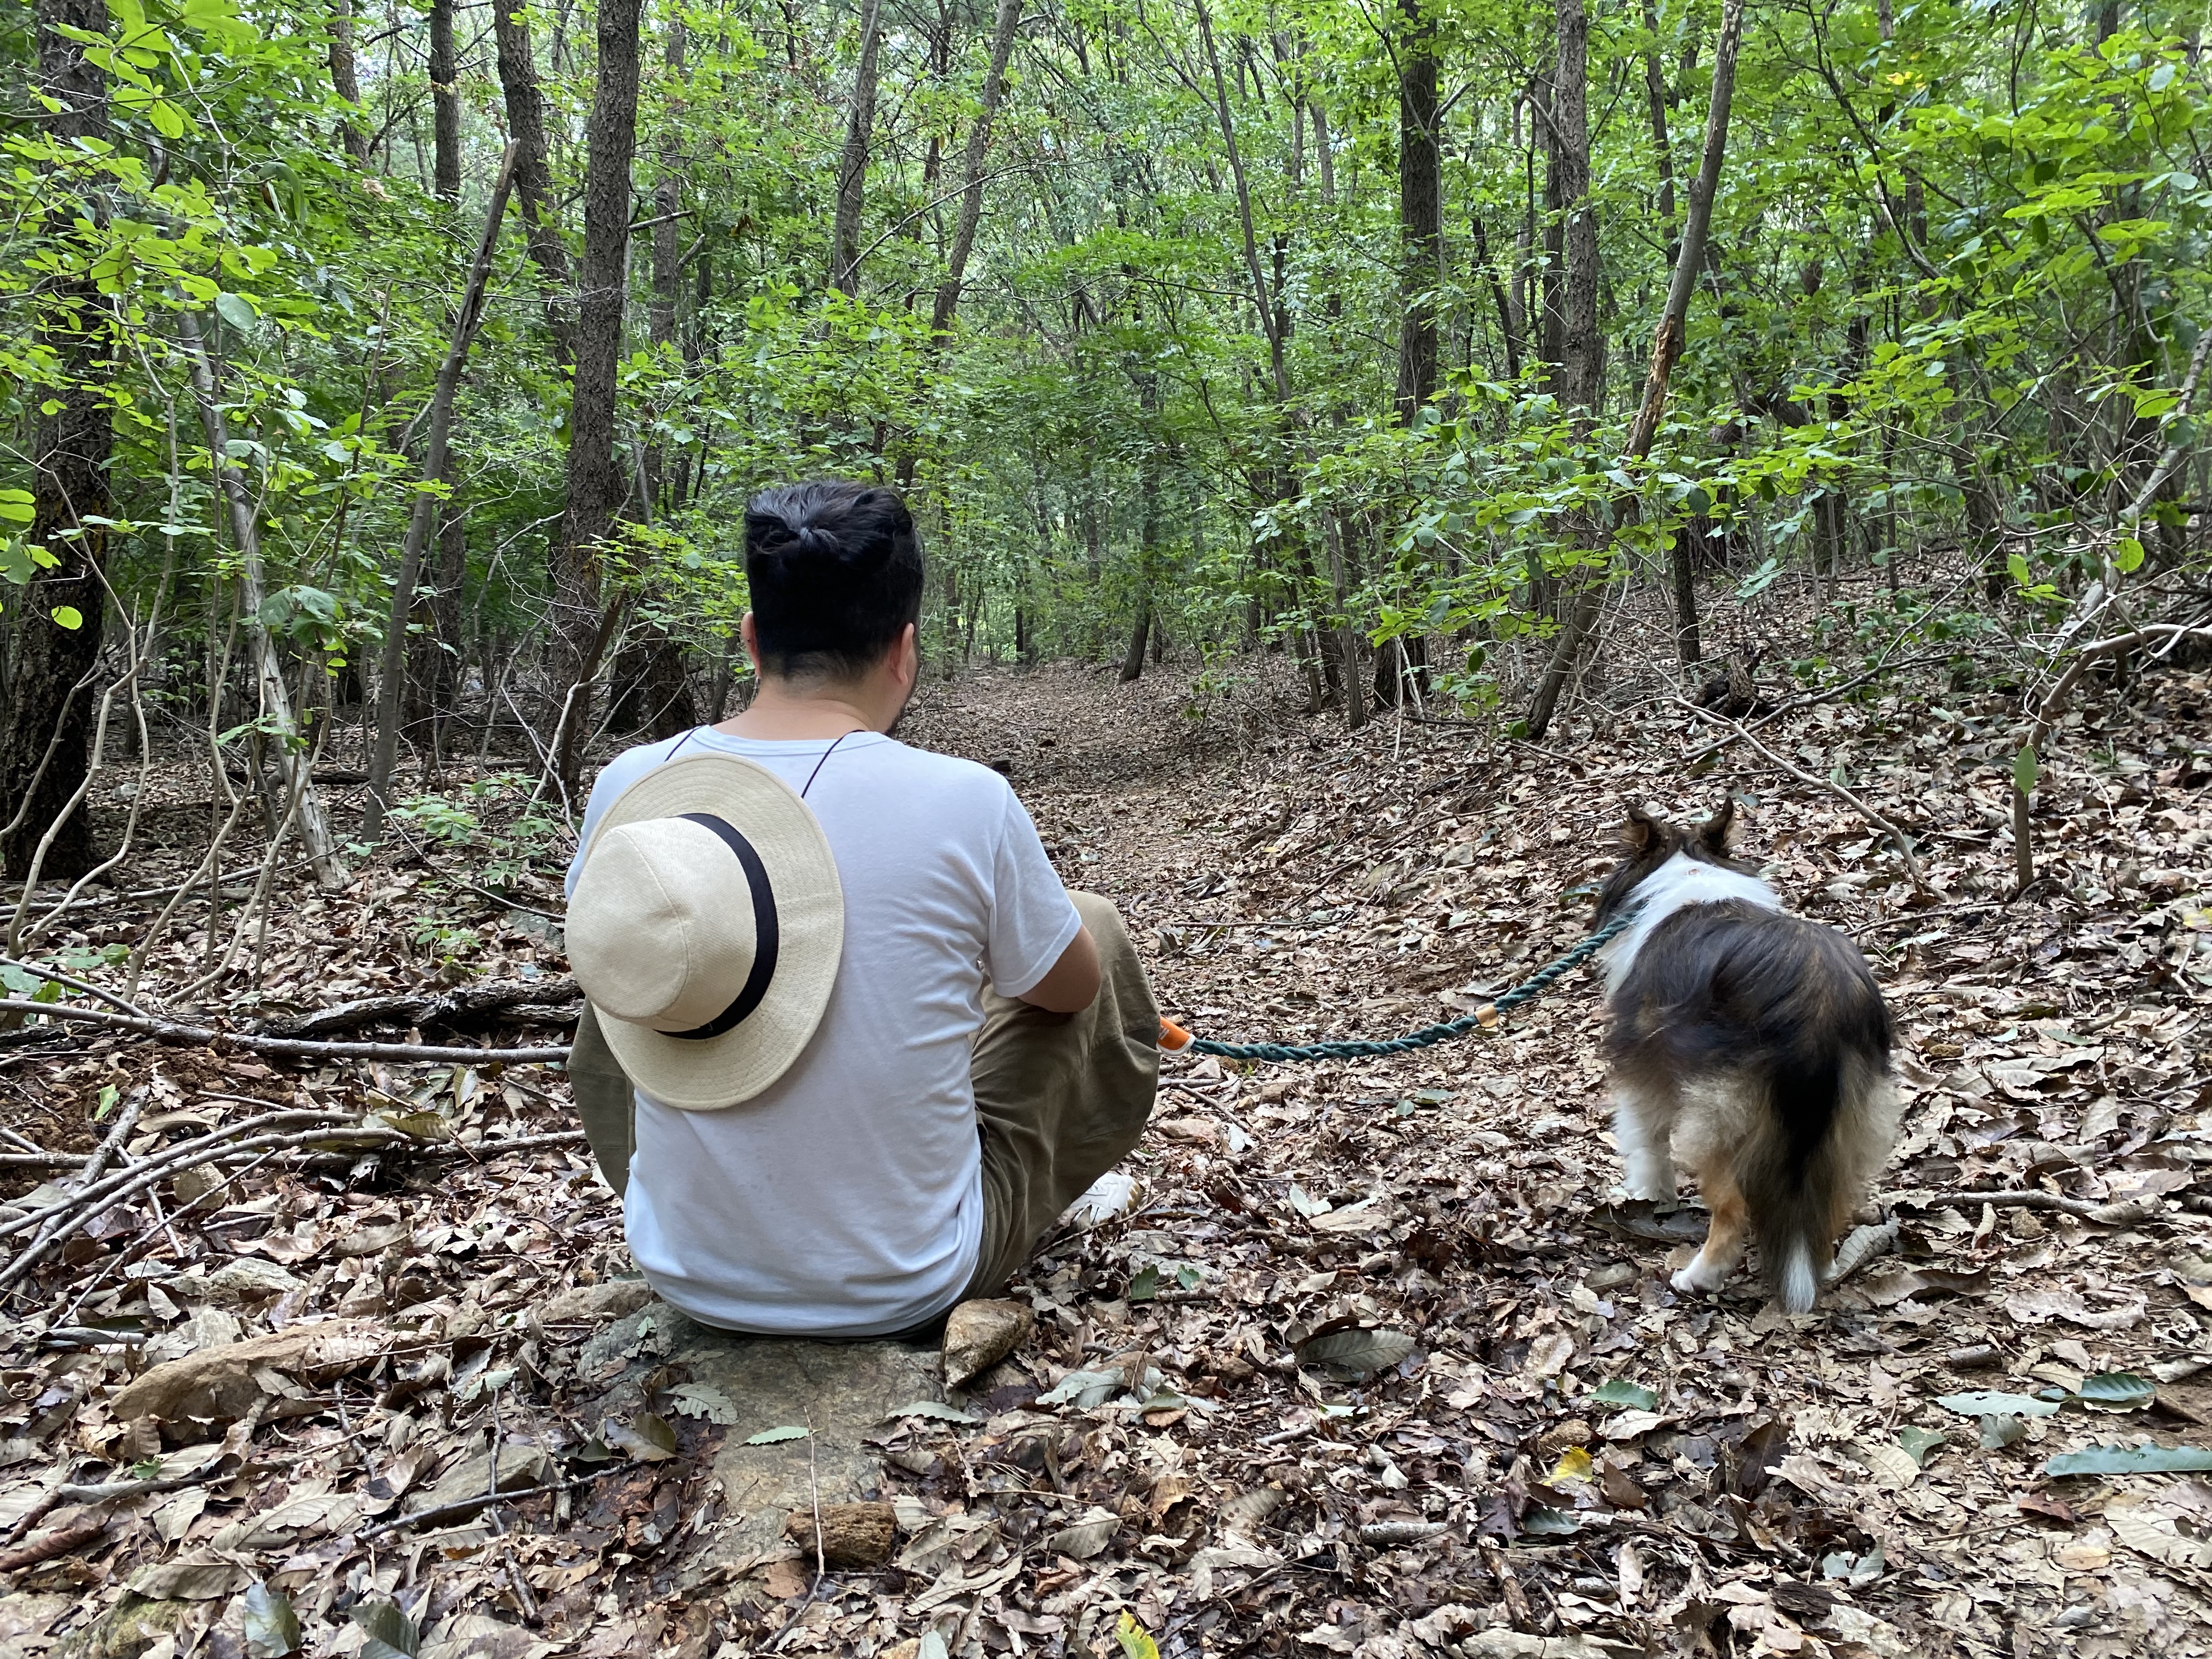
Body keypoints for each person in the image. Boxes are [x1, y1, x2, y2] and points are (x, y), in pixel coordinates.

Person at [561, 479, 1158, 1339]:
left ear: (752, 638)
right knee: (1086, 925)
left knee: (639, 954)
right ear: (904, 651)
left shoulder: (630, 785)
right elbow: (1068, 993)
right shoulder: (966, 800)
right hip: (909, 1284)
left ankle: (710, 1214)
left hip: (684, 1271)